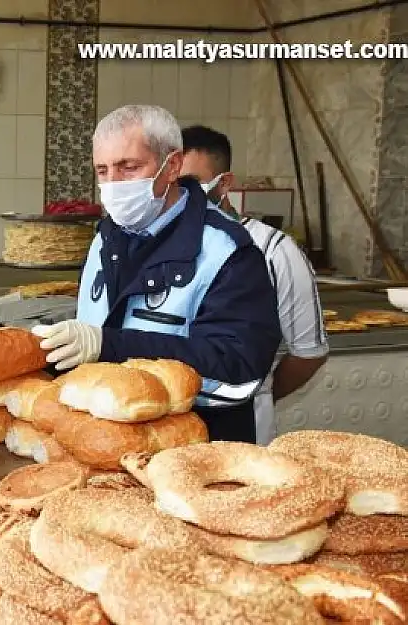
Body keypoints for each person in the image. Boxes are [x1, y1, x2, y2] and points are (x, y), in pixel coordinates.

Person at [32, 104, 282, 443]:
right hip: (107, 439)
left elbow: (238, 363)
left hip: (198, 447)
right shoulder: (105, 238)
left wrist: (109, 345)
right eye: (102, 171)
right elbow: (101, 322)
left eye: (129, 167)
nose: (113, 185)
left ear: (172, 166)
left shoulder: (226, 251)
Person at [180, 124, 329, 445]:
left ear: (224, 184)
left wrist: (257, 392)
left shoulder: (274, 250)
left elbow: (308, 353)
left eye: (192, 183)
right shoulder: (165, 246)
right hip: (171, 423)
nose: (181, 195)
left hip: (242, 428)